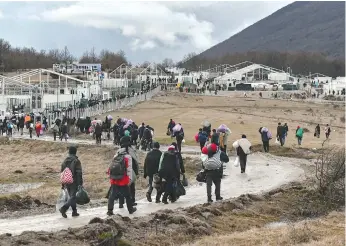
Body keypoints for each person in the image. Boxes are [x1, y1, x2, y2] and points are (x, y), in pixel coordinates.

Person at [107, 145, 137, 215]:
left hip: (114, 180)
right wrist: (130, 179)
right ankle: (130, 209)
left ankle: (110, 211)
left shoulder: (115, 156)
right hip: (123, 180)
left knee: (112, 196)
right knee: (128, 196)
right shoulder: (128, 157)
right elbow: (129, 170)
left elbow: (110, 168)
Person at [59, 146, 83, 218]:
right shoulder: (76, 161)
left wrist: (63, 184)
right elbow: (79, 173)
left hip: (66, 181)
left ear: (69, 152)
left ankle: (74, 212)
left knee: (71, 197)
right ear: (75, 152)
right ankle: (64, 208)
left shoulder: (64, 161)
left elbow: (62, 173)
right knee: (73, 197)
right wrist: (80, 183)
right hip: (74, 181)